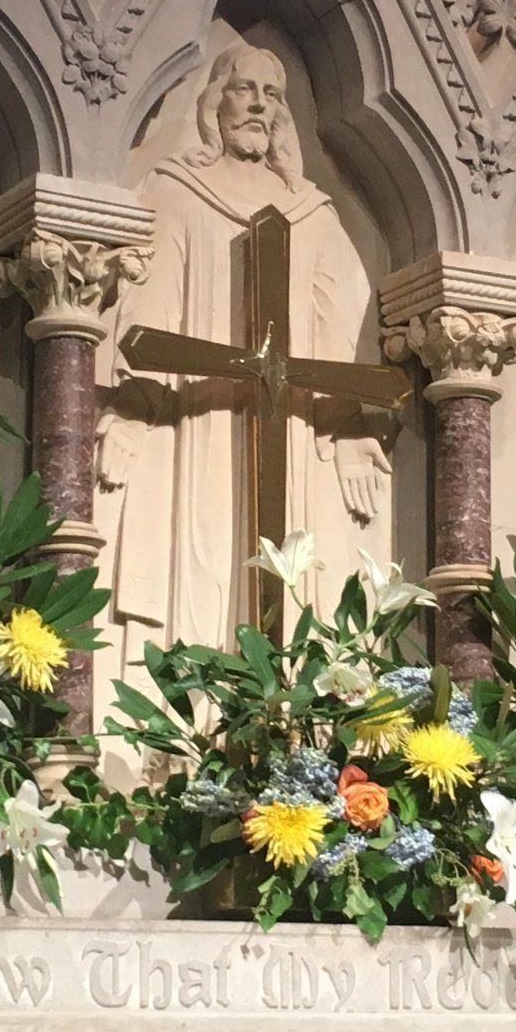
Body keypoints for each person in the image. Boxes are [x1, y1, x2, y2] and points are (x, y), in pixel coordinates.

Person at [97, 43, 390, 655]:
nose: (258, 104)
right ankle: (193, 699)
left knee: (295, 567)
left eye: (271, 94)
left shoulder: (311, 212)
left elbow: (336, 333)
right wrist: (132, 411)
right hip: (198, 419)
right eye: (244, 89)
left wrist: (349, 432)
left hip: (291, 427)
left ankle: (285, 691)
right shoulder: (180, 191)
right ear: (215, 103)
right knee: (204, 558)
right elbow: (150, 317)